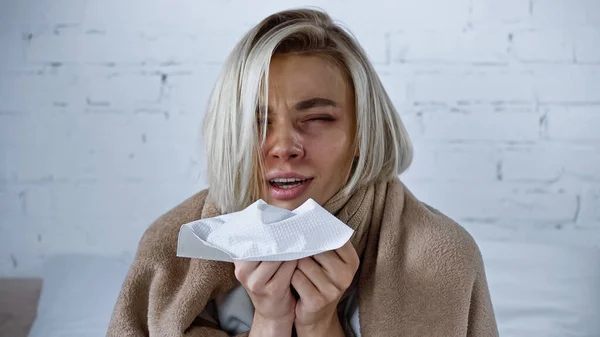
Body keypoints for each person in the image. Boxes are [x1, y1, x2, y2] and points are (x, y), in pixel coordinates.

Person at [107, 8, 499, 337]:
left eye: (317, 118)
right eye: (257, 122)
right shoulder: (168, 253)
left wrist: (321, 326)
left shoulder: (439, 257)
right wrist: (271, 324)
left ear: (362, 133)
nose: (283, 147)